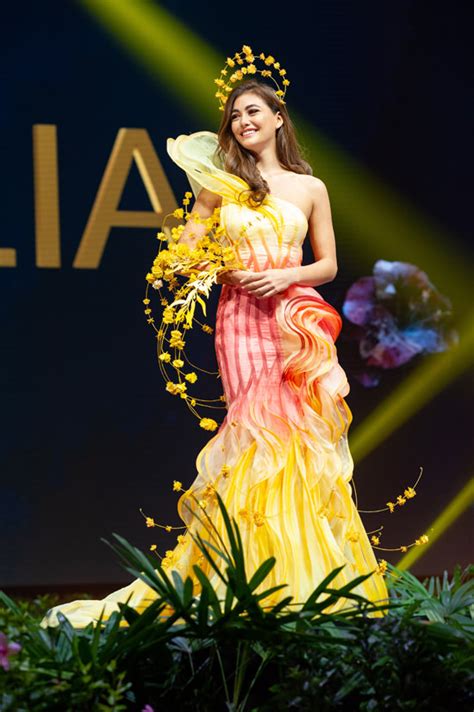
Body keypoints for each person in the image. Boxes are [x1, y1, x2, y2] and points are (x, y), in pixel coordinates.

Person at [41, 53, 389, 629]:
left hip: (294, 319)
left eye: (253, 111)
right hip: (240, 321)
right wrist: (214, 266)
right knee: (256, 437)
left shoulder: (310, 187)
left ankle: (301, 577)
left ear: (279, 117)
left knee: (301, 442)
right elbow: (183, 252)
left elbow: (327, 264)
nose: (243, 122)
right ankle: (245, 572)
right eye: (234, 117)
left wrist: (283, 275)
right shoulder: (219, 184)